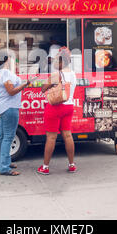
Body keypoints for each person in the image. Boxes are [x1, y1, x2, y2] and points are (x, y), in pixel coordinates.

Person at [38, 47, 77, 175]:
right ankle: (72, 164)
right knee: (67, 135)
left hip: (55, 107)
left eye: (56, 60)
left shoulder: (56, 75)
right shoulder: (73, 74)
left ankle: (45, 167)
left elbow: (43, 89)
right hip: (69, 106)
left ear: (61, 62)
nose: (54, 62)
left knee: (51, 137)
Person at [0, 52, 31, 176]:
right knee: (8, 137)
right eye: (10, 58)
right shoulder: (5, 73)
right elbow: (11, 91)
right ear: (6, 60)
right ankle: (4, 167)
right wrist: (24, 85)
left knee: (2, 136)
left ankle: (1, 163)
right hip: (10, 107)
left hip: (3, 107)